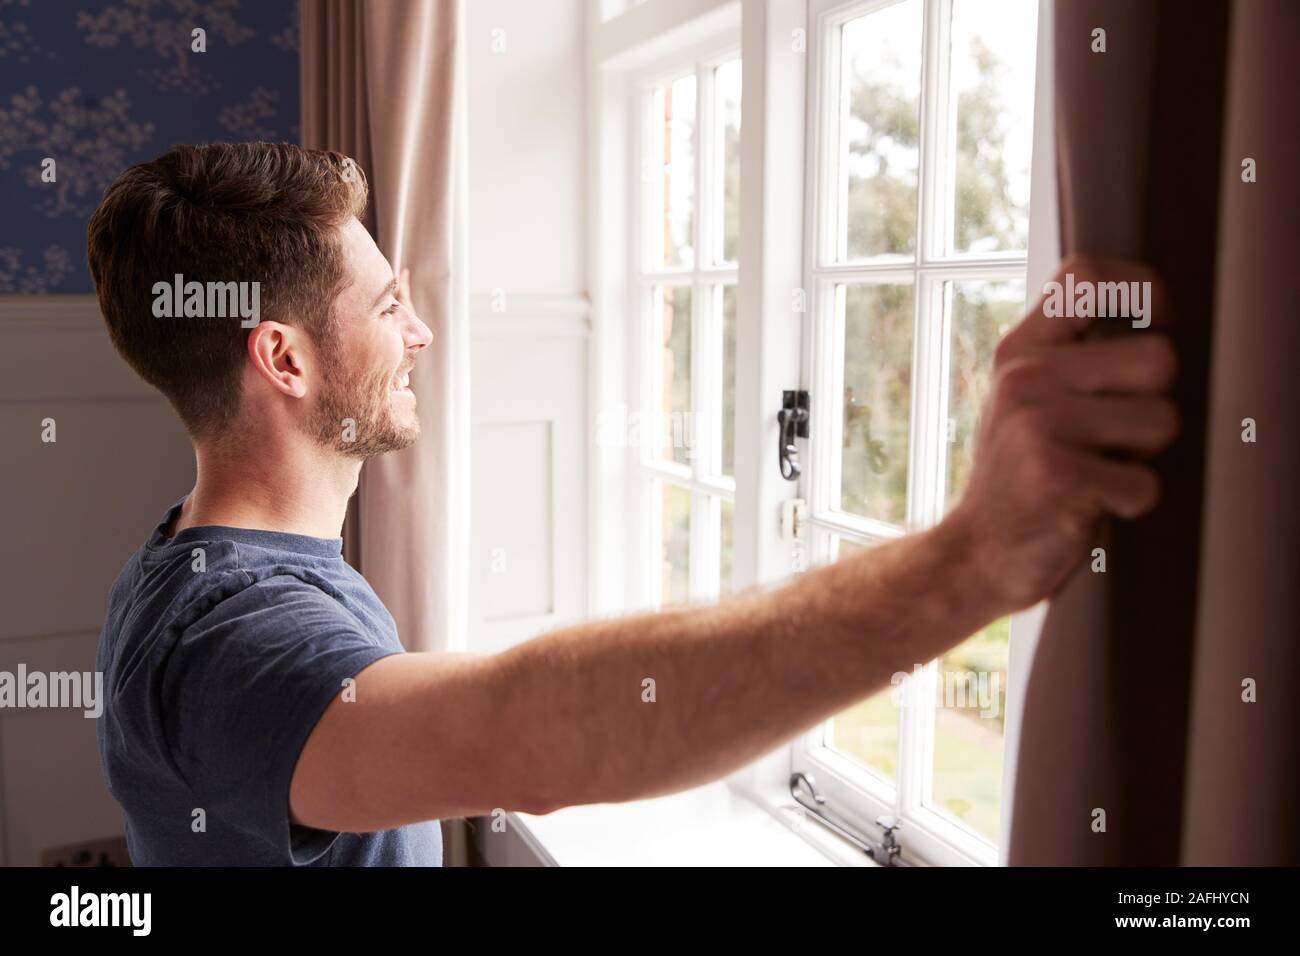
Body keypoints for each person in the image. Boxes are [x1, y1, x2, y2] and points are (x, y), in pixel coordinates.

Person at [89, 142, 1177, 865]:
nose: (417, 334)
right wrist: (971, 558)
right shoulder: (228, 636)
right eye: (386, 305)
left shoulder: (207, 565)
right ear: (281, 358)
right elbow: (522, 734)